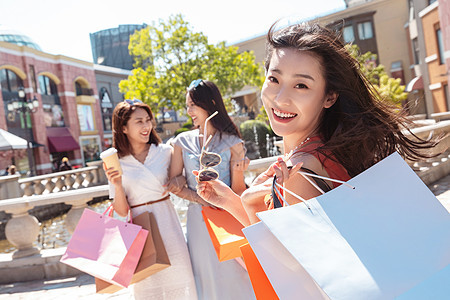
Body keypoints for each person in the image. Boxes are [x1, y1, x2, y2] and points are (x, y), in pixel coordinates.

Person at [195, 22, 438, 226]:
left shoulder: (300, 172)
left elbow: (287, 268)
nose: (280, 99)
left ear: (329, 96)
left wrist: (248, 201)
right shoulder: (324, 151)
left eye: (301, 85)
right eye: (274, 79)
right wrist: (229, 200)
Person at [167, 80, 255, 300]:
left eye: (192, 106)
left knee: (236, 275)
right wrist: (200, 199)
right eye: (187, 106)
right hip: (197, 221)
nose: (188, 112)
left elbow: (238, 191)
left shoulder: (233, 141)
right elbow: (174, 184)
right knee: (205, 274)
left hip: (227, 219)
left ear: (209, 104)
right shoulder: (181, 142)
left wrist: (237, 168)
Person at [104, 99, 197, 299]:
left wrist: (178, 180)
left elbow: (183, 177)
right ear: (123, 128)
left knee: (181, 284)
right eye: (139, 122)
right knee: (147, 290)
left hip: (168, 225)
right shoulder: (116, 163)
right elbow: (120, 211)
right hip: (139, 232)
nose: (146, 126)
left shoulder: (165, 152)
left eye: (148, 120)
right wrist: (117, 184)